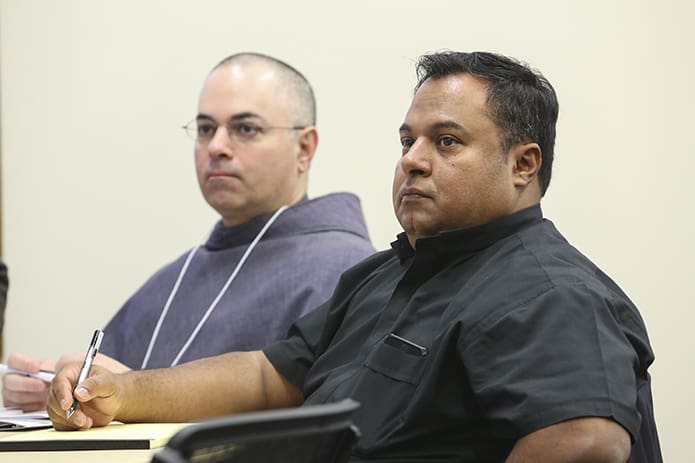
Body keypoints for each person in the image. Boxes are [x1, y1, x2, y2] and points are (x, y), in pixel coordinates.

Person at [47, 51, 661, 462]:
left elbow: (585, 442)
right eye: (407, 140)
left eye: (446, 141)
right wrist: (122, 392)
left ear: (524, 164)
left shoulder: (551, 293)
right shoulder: (386, 275)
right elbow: (269, 377)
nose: (413, 159)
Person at [3, 53, 374, 412]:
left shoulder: (350, 270)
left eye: (245, 129)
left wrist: (133, 392)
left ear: (305, 148)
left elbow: (320, 429)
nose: (216, 147)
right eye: (206, 129)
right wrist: (61, 388)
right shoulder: (177, 276)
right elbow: (106, 389)